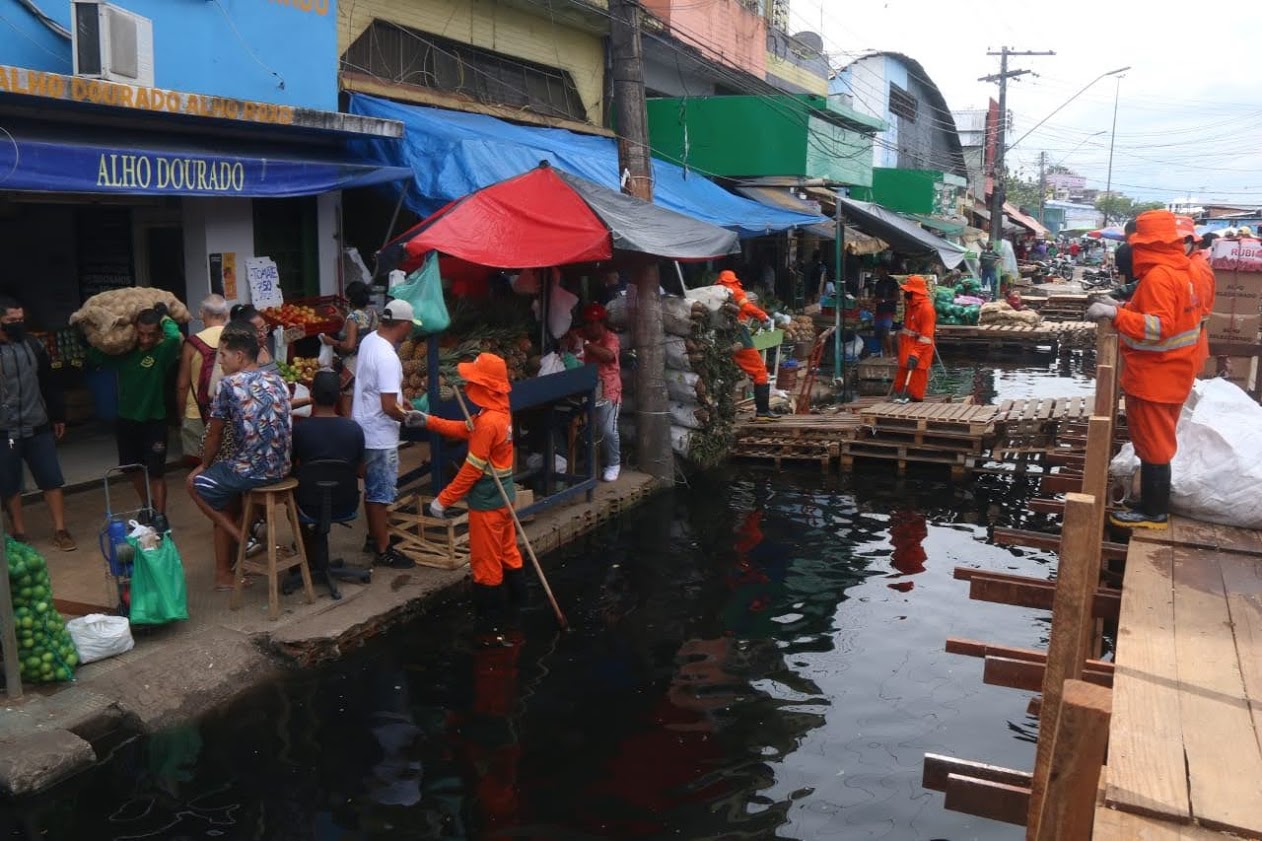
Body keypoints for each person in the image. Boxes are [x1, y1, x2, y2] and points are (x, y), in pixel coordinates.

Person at [1085, 210, 1201, 530]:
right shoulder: (1180, 271)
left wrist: (1114, 313)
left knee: (1154, 445)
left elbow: (1156, 327)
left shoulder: (1162, 277)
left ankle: (1153, 512)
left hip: (1156, 376)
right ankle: (1153, 505)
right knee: (1156, 442)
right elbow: (1160, 315)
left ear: (1145, 244)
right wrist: (1123, 307)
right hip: (1169, 372)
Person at [413, 353, 523, 621]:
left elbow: (471, 470)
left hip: (487, 503)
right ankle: (519, 606)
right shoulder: (499, 411)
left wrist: (444, 500)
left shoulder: (488, 423)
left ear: (484, 386)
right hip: (505, 498)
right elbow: (466, 429)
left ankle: (491, 623)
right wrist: (429, 421)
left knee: (486, 566)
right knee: (509, 553)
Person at [189, 326, 293, 590]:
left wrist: (204, 465)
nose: (220, 361)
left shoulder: (228, 384)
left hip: (252, 471)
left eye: (223, 356)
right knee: (225, 489)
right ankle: (250, 540)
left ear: (239, 356)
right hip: (281, 470)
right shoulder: (277, 379)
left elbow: (213, 434)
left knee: (194, 484)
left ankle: (243, 539)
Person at [88, 305, 182, 514]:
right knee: (131, 469)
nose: (146, 339)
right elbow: (95, 354)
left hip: (154, 420)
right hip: (126, 420)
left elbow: (175, 337)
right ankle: (147, 505)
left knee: (156, 473)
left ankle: (160, 516)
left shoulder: (161, 352)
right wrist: (104, 331)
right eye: (141, 334)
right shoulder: (123, 353)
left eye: (151, 334)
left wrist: (164, 317)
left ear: (157, 333)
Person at [353, 299, 422, 569]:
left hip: (364, 426)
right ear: (403, 325)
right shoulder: (388, 357)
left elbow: (377, 390)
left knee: (372, 491)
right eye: (409, 326)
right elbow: (387, 406)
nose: (410, 332)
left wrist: (399, 401)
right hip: (380, 436)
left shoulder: (371, 340)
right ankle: (383, 549)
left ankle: (374, 537)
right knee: (380, 493)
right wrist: (409, 418)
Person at [0, 297, 74, 550]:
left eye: (20, 320)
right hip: (5, 430)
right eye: (11, 321)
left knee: (51, 479)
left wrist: (58, 415)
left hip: (37, 423)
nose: (17, 325)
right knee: (10, 484)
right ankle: (19, 533)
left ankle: (61, 530)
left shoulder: (33, 345)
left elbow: (49, 382)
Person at [175, 294, 229, 465]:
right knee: (226, 461)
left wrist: (182, 415)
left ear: (201, 314)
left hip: (196, 411)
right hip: (230, 410)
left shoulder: (192, 343)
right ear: (226, 314)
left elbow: (182, 385)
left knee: (198, 464)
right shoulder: (235, 337)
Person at [716, 270, 776, 421]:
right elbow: (747, 307)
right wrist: (763, 317)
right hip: (738, 334)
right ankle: (762, 412)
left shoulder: (714, 292)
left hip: (720, 337)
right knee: (759, 371)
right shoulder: (735, 291)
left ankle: (722, 412)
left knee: (725, 375)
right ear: (735, 281)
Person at [572, 303, 621, 482]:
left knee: (608, 430)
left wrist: (586, 344)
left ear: (602, 323)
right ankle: (588, 464)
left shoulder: (611, 338)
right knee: (586, 430)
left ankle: (614, 463)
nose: (590, 327)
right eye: (587, 323)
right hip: (584, 390)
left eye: (594, 323)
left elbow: (608, 356)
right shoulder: (580, 335)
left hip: (609, 391)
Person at [318, 281, 378, 411]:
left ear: (351, 298)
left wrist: (331, 341)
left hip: (353, 364)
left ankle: (350, 428)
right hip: (368, 360)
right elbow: (362, 329)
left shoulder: (353, 317)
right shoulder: (372, 313)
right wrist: (342, 317)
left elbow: (350, 345)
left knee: (347, 398)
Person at [292, 371, 365, 468]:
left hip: (308, 482)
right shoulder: (354, 429)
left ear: (311, 393)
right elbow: (361, 469)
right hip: (345, 482)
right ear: (339, 396)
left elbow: (293, 463)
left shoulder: (299, 429)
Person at [1177, 215, 1215, 371]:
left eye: (1182, 240)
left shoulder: (1198, 268)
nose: (1178, 245)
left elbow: (1202, 313)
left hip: (1189, 349)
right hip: (1184, 347)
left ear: (1193, 242)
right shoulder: (1187, 265)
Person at [893, 275, 936, 403]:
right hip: (907, 349)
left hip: (919, 352)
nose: (905, 293)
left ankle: (914, 406)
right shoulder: (912, 306)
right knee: (901, 385)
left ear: (914, 292)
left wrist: (915, 354)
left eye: (907, 291)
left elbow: (926, 337)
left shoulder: (926, 309)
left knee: (915, 391)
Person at [228, 304, 276, 372]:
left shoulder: (264, 347)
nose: (262, 334)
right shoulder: (241, 359)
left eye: (263, 327)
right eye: (256, 331)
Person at [873, 267, 899, 358]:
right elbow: (876, 296)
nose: (878, 271)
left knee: (885, 330)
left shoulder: (892, 282)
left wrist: (884, 300)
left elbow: (897, 298)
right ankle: (884, 352)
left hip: (889, 310)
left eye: (879, 269)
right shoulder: (878, 283)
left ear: (885, 270)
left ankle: (891, 352)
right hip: (879, 310)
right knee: (879, 332)